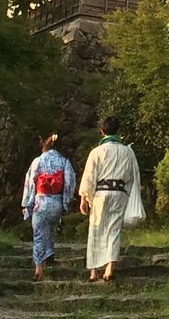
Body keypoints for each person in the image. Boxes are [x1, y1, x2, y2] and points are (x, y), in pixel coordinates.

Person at [78, 115, 144, 282]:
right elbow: (132, 176)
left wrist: (84, 199)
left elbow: (89, 176)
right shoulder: (128, 152)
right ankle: (109, 268)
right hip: (119, 193)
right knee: (113, 230)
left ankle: (93, 272)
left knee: (96, 230)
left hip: (101, 193)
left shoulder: (97, 152)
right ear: (118, 131)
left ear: (102, 131)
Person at [20, 132, 77, 281]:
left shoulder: (37, 161)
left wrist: (26, 203)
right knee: (50, 230)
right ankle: (49, 255)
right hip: (56, 201)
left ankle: (39, 267)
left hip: (41, 200)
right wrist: (66, 201)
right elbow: (70, 182)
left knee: (39, 234)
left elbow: (30, 183)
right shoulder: (64, 162)